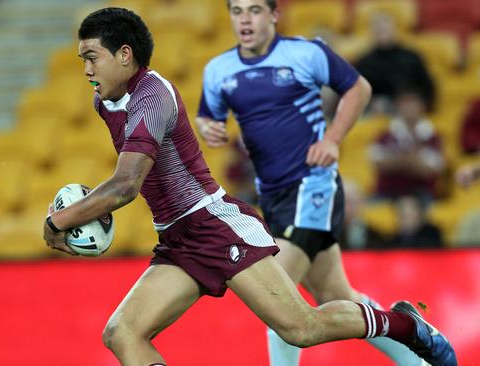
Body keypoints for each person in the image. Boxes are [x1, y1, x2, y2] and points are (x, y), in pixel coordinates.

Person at [43, 6, 457, 366]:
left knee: (300, 327)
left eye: (92, 57)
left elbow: (126, 185)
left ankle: (406, 326)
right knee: (122, 333)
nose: (87, 70)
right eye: (83, 60)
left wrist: (59, 221)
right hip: (177, 236)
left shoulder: (153, 96)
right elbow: (134, 178)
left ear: (125, 54)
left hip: (214, 224)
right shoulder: (106, 101)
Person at [196, 1, 431, 365]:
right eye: (237, 10)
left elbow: (359, 89)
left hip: (312, 186)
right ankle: (415, 349)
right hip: (273, 197)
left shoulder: (305, 53)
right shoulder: (218, 70)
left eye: (255, 9)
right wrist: (208, 127)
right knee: (334, 294)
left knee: (277, 299)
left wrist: (333, 139)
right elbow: (209, 117)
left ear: (274, 15)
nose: (245, 18)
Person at [369, 87, 446, 203]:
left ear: (422, 106)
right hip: (387, 192)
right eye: (404, 104)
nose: (408, 108)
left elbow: (430, 171)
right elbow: (378, 164)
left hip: (421, 193)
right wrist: (411, 160)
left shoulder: (432, 136)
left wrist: (397, 160)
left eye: (412, 104)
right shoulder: (386, 134)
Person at [355, 13, 435, 114]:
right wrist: (371, 103)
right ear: (372, 33)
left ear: (394, 30)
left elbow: (427, 86)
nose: (382, 33)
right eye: (379, 30)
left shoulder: (411, 57)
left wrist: (417, 104)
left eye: (385, 29)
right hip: (376, 111)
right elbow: (358, 93)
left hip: (408, 108)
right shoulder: (364, 62)